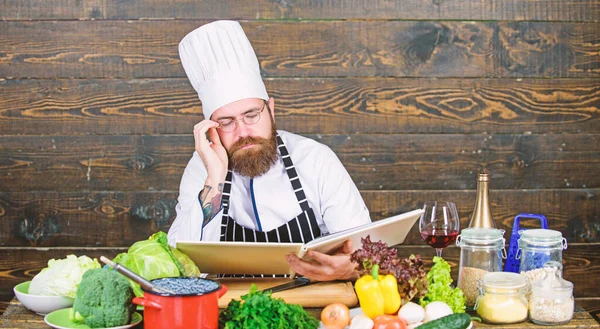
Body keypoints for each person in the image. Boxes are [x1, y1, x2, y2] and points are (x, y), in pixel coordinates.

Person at [167, 20, 371, 281]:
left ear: (271, 110)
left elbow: (364, 248)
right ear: (211, 129)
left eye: (251, 115)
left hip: (312, 303)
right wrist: (214, 180)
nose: (243, 132)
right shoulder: (202, 169)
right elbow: (181, 267)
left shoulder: (315, 160)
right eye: (227, 122)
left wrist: (352, 266)